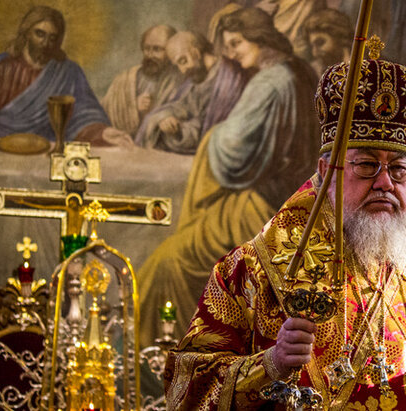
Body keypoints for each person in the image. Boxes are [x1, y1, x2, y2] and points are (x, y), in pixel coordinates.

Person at [164, 54, 406, 409]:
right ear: (327, 170)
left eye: (399, 169)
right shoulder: (252, 271)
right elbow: (187, 387)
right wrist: (269, 365)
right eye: (366, 164)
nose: (384, 182)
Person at [137, 7, 319, 347]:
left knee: (168, 261)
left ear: (260, 38)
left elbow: (232, 149)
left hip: (260, 205)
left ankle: (170, 354)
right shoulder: (303, 72)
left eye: (236, 43)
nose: (231, 53)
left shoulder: (271, 80)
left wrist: (210, 139)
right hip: (293, 203)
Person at [0, 6, 109, 142]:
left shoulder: (69, 72)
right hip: (1, 146)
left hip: (49, 148)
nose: (45, 43)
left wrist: (104, 133)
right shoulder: (3, 67)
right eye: (40, 34)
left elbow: (86, 112)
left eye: (52, 38)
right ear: (27, 33)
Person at [134, 30, 248, 154]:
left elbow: (208, 127)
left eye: (183, 61)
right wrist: (164, 117)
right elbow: (182, 105)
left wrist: (178, 129)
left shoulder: (229, 79)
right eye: (178, 65)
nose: (182, 71)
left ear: (196, 53)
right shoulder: (196, 78)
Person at [101, 24, 182, 136]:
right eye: (146, 49)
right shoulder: (124, 80)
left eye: (157, 49)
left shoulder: (181, 80)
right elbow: (104, 111)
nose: (150, 55)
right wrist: (133, 106)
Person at [303, 8, 353, 76]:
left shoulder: (364, 68)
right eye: (312, 46)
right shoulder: (315, 71)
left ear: (340, 38)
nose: (314, 53)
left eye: (320, 43)